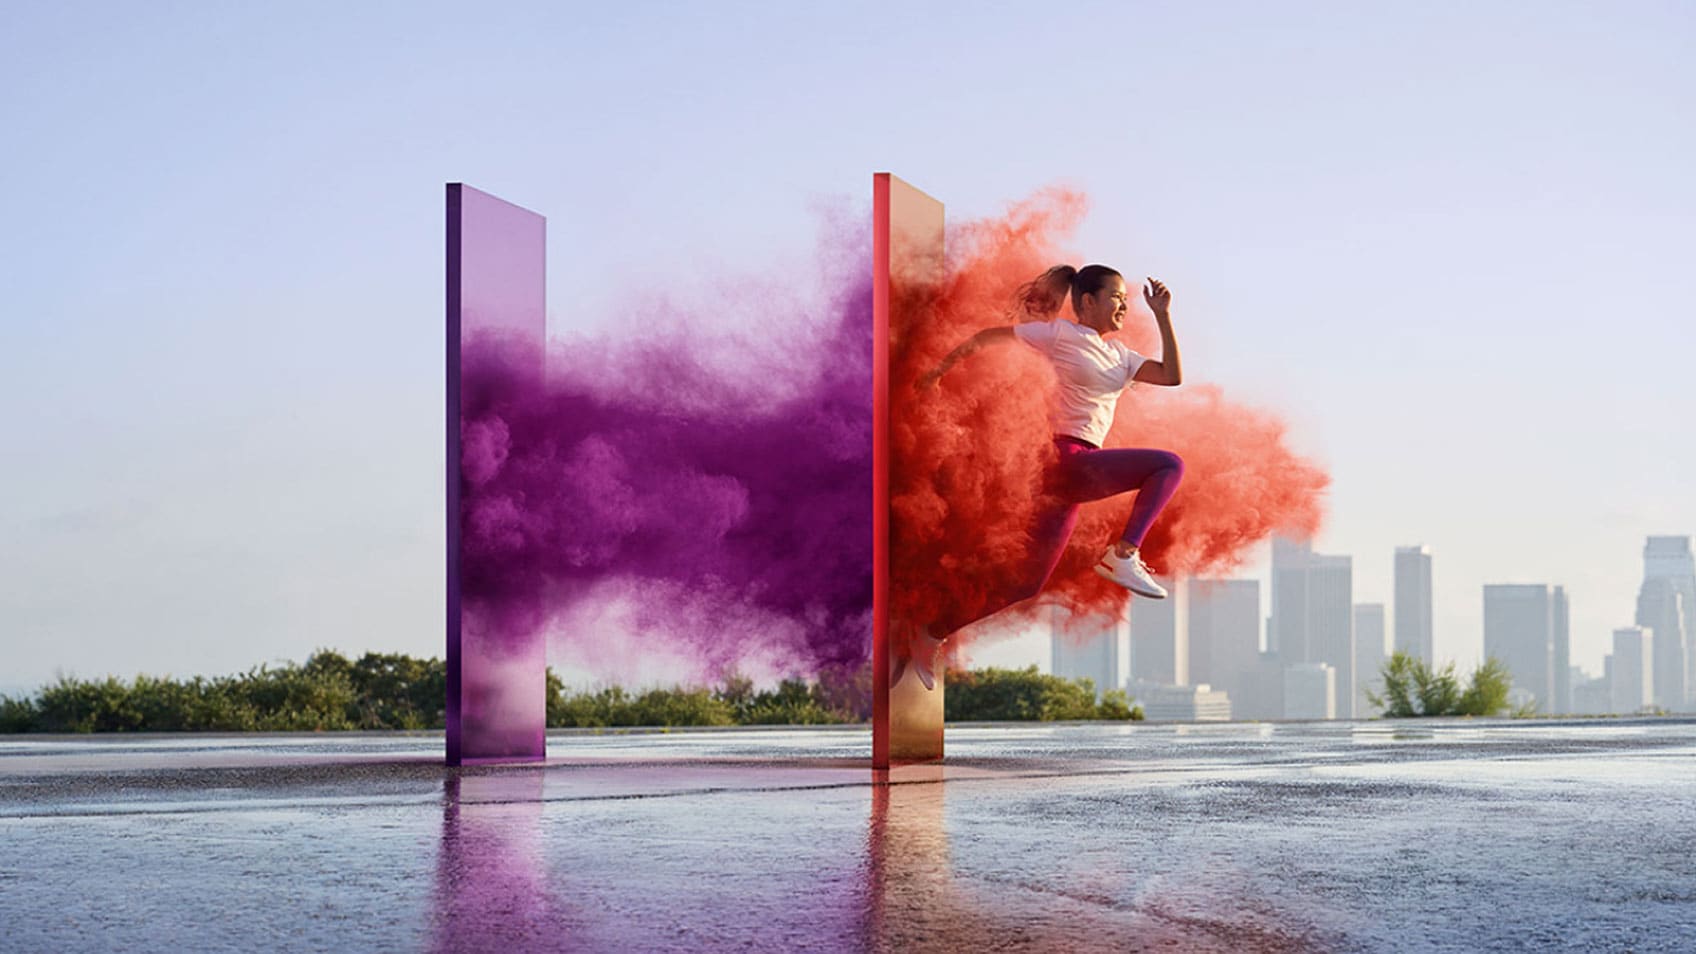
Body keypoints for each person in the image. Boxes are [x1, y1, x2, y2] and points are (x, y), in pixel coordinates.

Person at [895, 264, 1185, 690]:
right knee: (1168, 465)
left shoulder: (1122, 357)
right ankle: (1123, 554)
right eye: (1116, 297)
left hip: (1078, 474)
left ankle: (930, 634)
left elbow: (1172, 376)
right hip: (1061, 460)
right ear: (1088, 301)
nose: (1124, 305)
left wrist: (1163, 315)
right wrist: (939, 372)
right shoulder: (1059, 335)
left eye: (1125, 299)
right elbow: (987, 338)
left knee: (1027, 583)